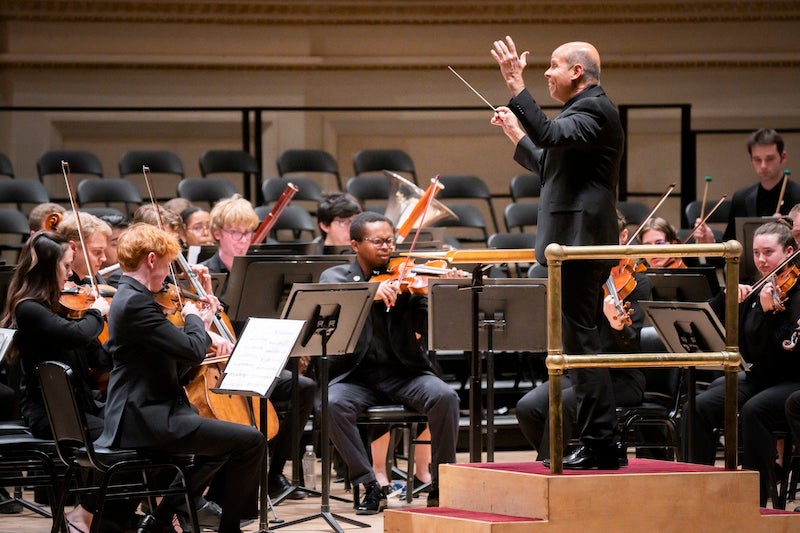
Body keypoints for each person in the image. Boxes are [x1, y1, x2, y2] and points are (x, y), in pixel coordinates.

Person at [491, 37, 624, 469]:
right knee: (579, 345)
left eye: (553, 65)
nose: (546, 73)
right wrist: (516, 132)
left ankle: (602, 444)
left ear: (577, 73)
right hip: (569, 245)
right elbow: (549, 164)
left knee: (583, 347)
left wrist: (515, 83)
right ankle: (601, 442)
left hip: (580, 246)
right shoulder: (580, 113)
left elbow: (547, 134)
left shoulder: (594, 109)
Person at [96, 223, 266, 533]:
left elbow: (172, 356)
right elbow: (191, 350)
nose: (168, 273)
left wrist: (199, 324)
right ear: (151, 259)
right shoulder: (135, 302)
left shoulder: (134, 297)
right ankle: (228, 528)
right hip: (143, 417)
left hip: (150, 409)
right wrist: (194, 319)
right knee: (251, 441)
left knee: (227, 444)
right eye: (167, 264)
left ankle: (160, 520)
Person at [319, 212, 460, 513]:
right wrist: (370, 292)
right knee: (331, 403)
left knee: (445, 396)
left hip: (404, 374)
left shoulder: (406, 278)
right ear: (355, 245)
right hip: (356, 378)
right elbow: (332, 300)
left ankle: (442, 481)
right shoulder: (336, 277)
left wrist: (440, 293)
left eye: (390, 241)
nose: (386, 247)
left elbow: (432, 324)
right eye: (377, 241)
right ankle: (369, 484)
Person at [201, 194, 315, 503]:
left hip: (256, 362)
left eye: (248, 232)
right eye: (235, 232)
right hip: (220, 366)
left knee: (303, 388)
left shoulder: (260, 274)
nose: (242, 240)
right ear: (217, 233)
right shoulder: (205, 275)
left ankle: (274, 472)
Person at [0, 231, 112, 531]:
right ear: (49, 268)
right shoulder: (30, 309)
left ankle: (116, 518)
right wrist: (95, 312)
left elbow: (98, 359)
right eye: (65, 266)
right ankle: (84, 513)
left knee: (137, 426)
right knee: (120, 438)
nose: (71, 274)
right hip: (49, 413)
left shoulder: (64, 308)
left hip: (80, 407)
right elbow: (75, 335)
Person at [683, 221, 800, 506]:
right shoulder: (756, 285)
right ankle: (695, 487)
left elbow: (788, 351)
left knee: (753, 411)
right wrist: (726, 299)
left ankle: (753, 499)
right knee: (697, 407)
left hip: (790, 379)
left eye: (768, 252)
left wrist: (771, 315)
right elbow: (706, 318)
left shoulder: (795, 293)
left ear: (789, 251)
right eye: (756, 252)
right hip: (758, 377)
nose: (761, 260)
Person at [516, 210, 647, 462]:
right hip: (581, 372)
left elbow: (633, 341)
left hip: (621, 377)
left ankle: (549, 470)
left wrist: (616, 324)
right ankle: (563, 457)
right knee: (528, 408)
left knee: (562, 403)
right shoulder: (584, 282)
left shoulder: (638, 283)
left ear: (623, 236)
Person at [694, 129, 797, 244]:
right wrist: (710, 242)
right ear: (751, 159)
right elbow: (731, 246)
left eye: (770, 159)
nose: (763, 165)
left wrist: (786, 231)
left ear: (783, 157)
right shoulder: (741, 198)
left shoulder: (797, 196)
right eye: (757, 159)